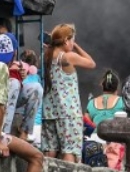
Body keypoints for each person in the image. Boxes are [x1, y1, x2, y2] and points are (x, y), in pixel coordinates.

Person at [40, 24, 95, 162]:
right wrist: (75, 46)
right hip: (68, 112)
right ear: (66, 40)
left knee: (49, 150)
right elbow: (91, 63)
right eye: (72, 40)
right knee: (69, 150)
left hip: (49, 110)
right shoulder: (68, 57)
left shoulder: (45, 57)